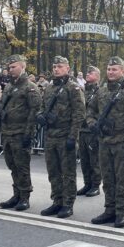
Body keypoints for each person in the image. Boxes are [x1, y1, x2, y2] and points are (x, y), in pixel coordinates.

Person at [89, 57, 124, 227]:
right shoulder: (101, 91)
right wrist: (92, 124)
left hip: (122, 141)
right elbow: (90, 110)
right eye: (109, 69)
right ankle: (109, 209)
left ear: (122, 71)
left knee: (122, 179)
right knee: (108, 178)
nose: (111, 72)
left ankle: (121, 213)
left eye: (115, 69)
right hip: (105, 141)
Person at [36, 56, 85, 218]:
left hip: (65, 135)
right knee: (53, 171)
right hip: (51, 135)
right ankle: (57, 201)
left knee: (68, 172)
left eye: (60, 66)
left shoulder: (73, 88)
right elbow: (42, 107)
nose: (56, 69)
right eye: (54, 66)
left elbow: (79, 114)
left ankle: (68, 204)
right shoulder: (49, 88)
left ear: (67, 68)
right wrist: (41, 116)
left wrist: (73, 136)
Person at [0, 55, 42, 211]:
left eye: (14, 67)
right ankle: (16, 194)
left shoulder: (30, 87)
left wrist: (29, 135)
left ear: (23, 67)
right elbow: (3, 106)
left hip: (21, 133)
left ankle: (24, 196)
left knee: (22, 166)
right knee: (12, 165)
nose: (10, 70)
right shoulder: (8, 87)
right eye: (9, 67)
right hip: (8, 133)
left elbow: (34, 112)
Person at [77, 66, 103, 198]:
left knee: (94, 159)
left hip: (92, 130)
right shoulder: (82, 91)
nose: (87, 74)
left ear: (97, 76)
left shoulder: (100, 92)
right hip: (82, 129)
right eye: (87, 72)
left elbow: (101, 111)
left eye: (90, 73)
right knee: (84, 159)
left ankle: (95, 185)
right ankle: (87, 183)